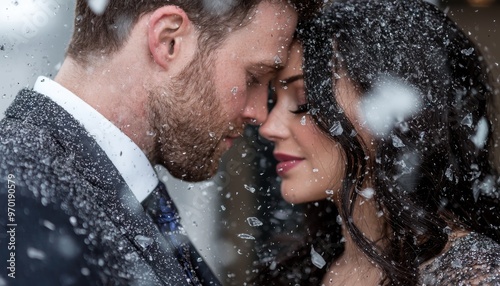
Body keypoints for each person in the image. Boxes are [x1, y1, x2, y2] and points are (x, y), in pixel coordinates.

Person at [0, 0, 320, 285]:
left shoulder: (57, 184)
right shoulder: (22, 202)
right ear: (168, 41)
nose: (259, 114)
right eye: (253, 77)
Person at [254, 0, 500, 285]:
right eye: (274, 100)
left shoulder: (473, 275)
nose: (268, 127)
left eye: (303, 100)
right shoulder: (295, 273)